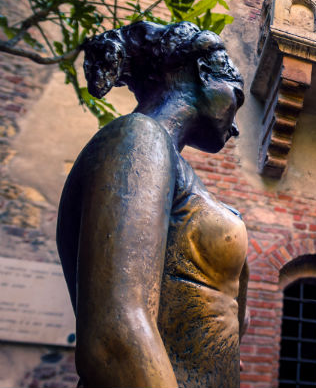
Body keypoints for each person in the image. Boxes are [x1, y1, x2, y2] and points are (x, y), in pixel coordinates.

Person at [56, 21, 249, 388]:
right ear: (199, 72)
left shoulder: (162, 159)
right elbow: (116, 337)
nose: (236, 126)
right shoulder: (138, 138)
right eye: (236, 95)